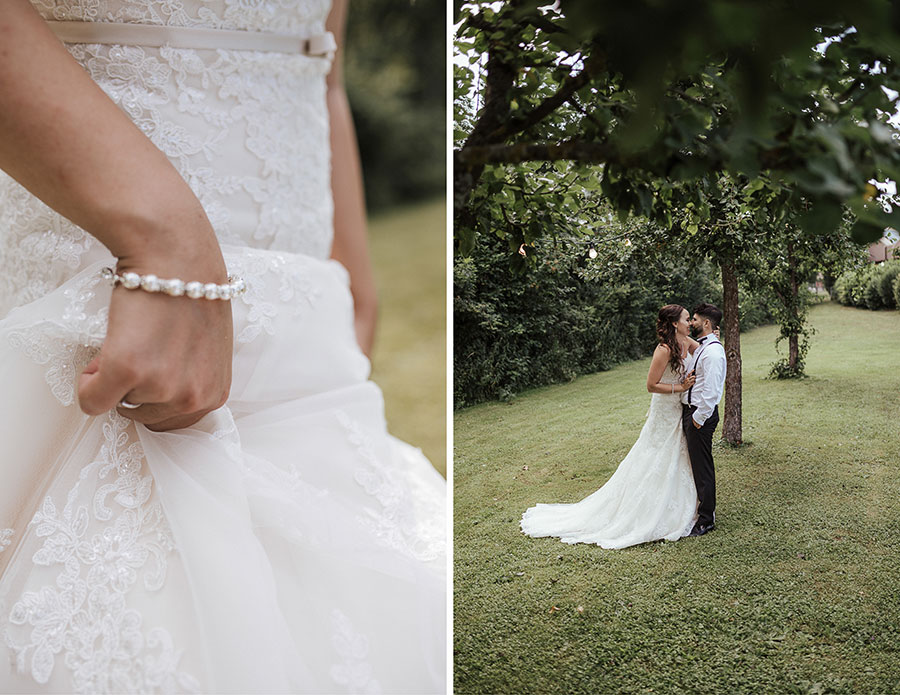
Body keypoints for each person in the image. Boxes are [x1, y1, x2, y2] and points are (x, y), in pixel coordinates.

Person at [0, 1, 445, 693]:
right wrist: (163, 239)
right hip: (107, 297)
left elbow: (318, 58)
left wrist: (354, 280)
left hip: (307, 354)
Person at [520, 304, 702, 549]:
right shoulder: (664, 349)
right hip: (664, 409)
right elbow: (650, 385)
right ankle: (644, 505)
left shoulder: (685, 341)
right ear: (673, 323)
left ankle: (679, 501)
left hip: (677, 409)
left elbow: (702, 352)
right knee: (655, 453)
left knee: (676, 453)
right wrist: (679, 388)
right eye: (686, 319)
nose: (690, 322)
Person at [681, 302, 727, 537]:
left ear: (706, 323)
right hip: (693, 411)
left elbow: (712, 393)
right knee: (697, 466)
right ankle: (700, 512)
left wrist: (698, 418)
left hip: (701, 414)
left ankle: (706, 520)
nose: (691, 323)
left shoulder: (713, 352)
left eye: (695, 319)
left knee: (703, 468)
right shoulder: (702, 346)